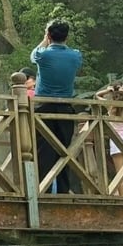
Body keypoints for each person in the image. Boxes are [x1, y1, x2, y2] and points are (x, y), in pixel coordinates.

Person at [30, 18, 83, 194]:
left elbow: (33, 55)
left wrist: (45, 39)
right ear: (66, 36)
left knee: (43, 152)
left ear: (49, 35)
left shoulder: (42, 55)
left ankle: (41, 191)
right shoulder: (76, 55)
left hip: (43, 107)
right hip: (66, 108)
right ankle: (63, 191)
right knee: (64, 152)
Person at [92, 82, 123, 196]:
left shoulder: (110, 105)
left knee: (120, 174)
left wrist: (108, 91)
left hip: (116, 140)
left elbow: (96, 96)